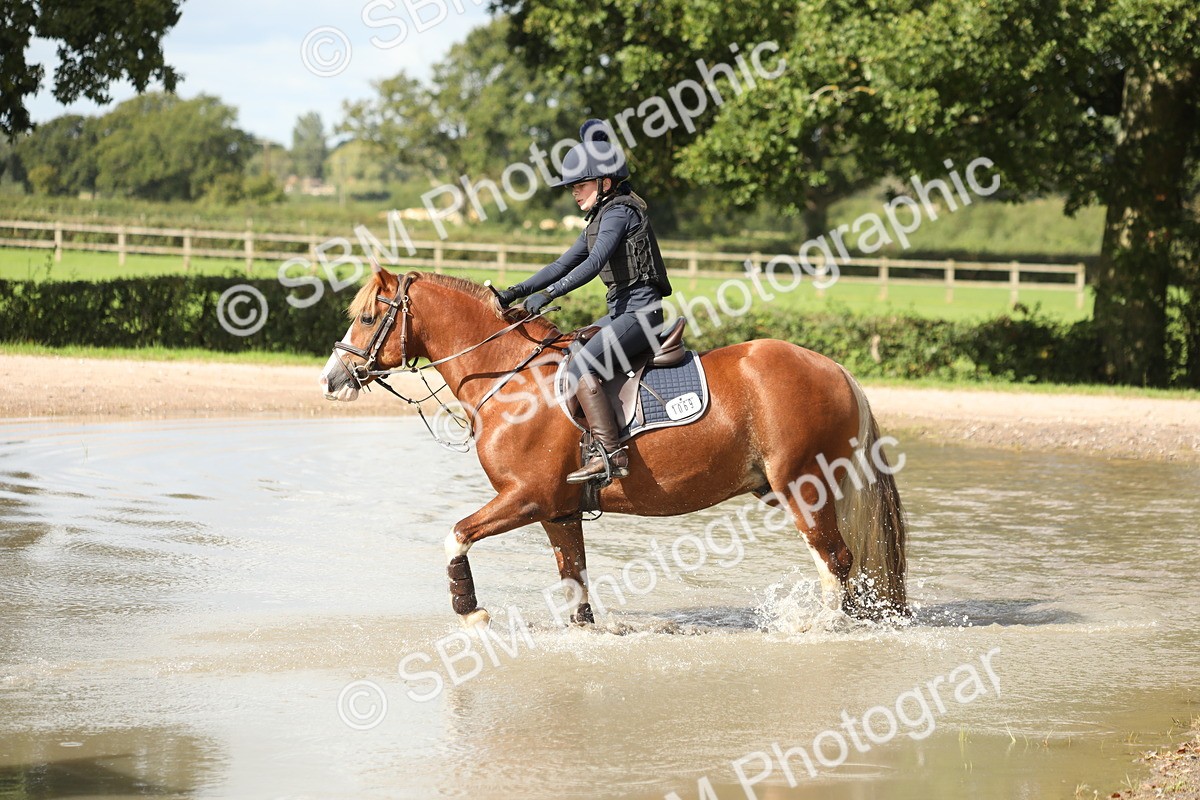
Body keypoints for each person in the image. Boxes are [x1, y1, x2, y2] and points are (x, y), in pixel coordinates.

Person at [496, 119, 672, 484]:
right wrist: (513, 292)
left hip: (641, 313)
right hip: (622, 311)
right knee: (570, 351)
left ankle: (610, 454)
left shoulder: (621, 212)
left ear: (605, 183)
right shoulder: (599, 218)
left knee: (581, 367)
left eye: (580, 184)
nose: (574, 192)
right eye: (572, 186)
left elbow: (592, 265)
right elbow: (563, 263)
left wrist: (549, 296)